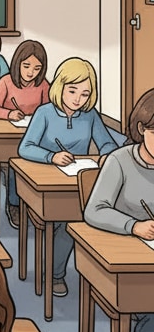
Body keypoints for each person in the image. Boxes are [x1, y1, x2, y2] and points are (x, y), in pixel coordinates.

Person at [19, 57, 120, 298]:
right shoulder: (44, 113)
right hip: (46, 183)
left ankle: (57, 271)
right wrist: (51, 157)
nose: (78, 99)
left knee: (74, 222)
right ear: (60, 86)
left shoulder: (90, 115)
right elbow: (25, 147)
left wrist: (106, 156)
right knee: (62, 222)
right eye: (72, 90)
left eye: (85, 94)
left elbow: (108, 143)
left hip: (78, 182)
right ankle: (54, 273)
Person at [84, 87, 154, 332]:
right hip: (127, 265)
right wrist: (133, 226)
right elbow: (94, 210)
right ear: (142, 129)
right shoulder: (120, 161)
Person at [0, 39, 50, 230]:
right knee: (16, 165)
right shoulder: (6, 82)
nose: (31, 72)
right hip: (10, 134)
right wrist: (9, 114)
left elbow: (49, 110)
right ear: (17, 63)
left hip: (35, 136)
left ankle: (37, 203)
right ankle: (14, 204)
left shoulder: (43, 85)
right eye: (26, 66)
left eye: (37, 68)